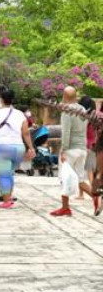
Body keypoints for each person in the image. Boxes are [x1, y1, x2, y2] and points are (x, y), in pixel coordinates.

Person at [0, 88, 35, 209]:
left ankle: (6, 201)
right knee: (10, 172)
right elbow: (26, 133)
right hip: (18, 148)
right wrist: (31, 147)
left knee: (4, 174)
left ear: (1, 100)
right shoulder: (20, 114)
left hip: (2, 147)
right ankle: (9, 196)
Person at [51, 87, 92, 217]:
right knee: (80, 179)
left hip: (70, 149)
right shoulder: (82, 109)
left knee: (65, 177)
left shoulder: (67, 111)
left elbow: (66, 132)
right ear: (75, 96)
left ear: (64, 96)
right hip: (82, 149)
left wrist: (63, 150)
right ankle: (96, 197)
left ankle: (65, 207)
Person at [79, 96, 100, 214]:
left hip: (85, 145)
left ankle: (86, 193)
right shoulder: (96, 116)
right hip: (94, 144)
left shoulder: (83, 116)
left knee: (85, 171)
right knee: (91, 170)